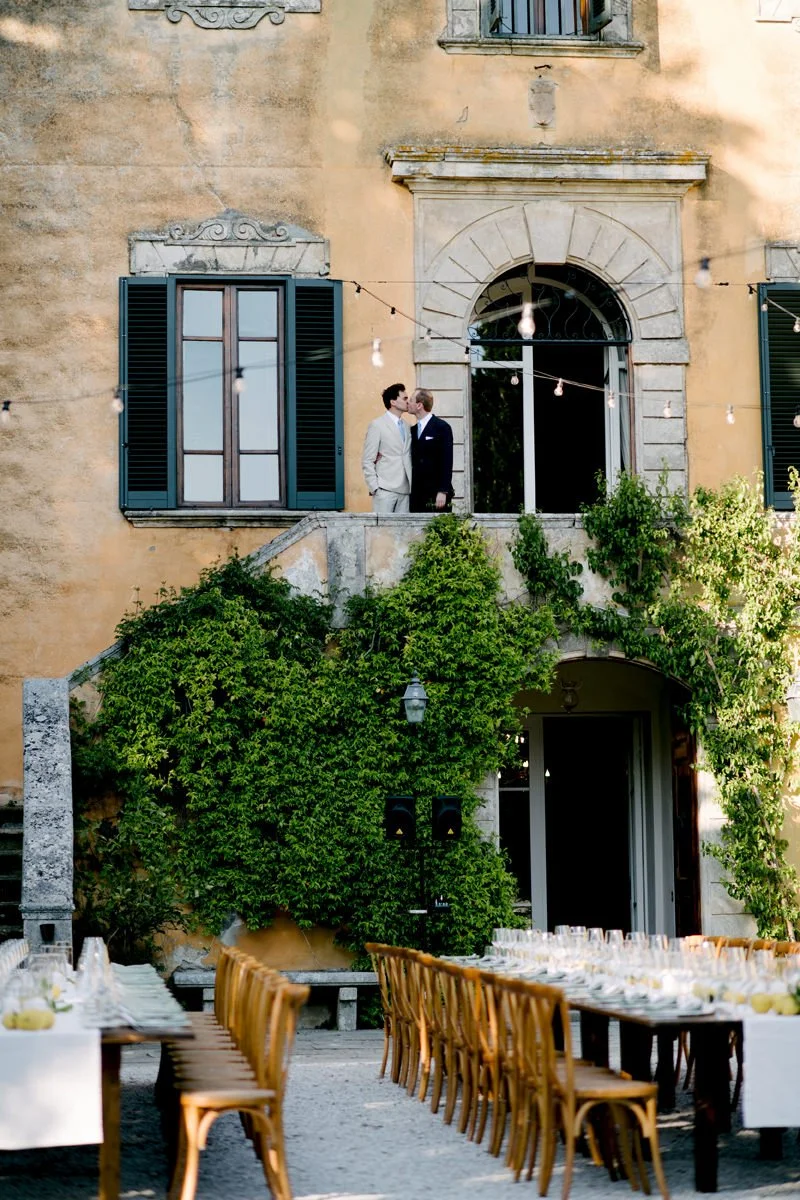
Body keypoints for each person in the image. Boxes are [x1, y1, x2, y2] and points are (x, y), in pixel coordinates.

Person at [362, 382, 412, 513]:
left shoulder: (407, 426)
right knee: (382, 532)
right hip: (384, 489)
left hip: (405, 490)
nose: (408, 401)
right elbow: (368, 459)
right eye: (404, 398)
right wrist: (375, 488)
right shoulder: (377, 425)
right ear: (393, 402)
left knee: (403, 532)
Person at [409, 388, 454, 512]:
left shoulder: (442, 427)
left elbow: (447, 460)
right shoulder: (412, 431)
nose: (408, 403)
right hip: (416, 494)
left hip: (436, 495)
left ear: (419, 405)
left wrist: (443, 491)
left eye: (411, 400)